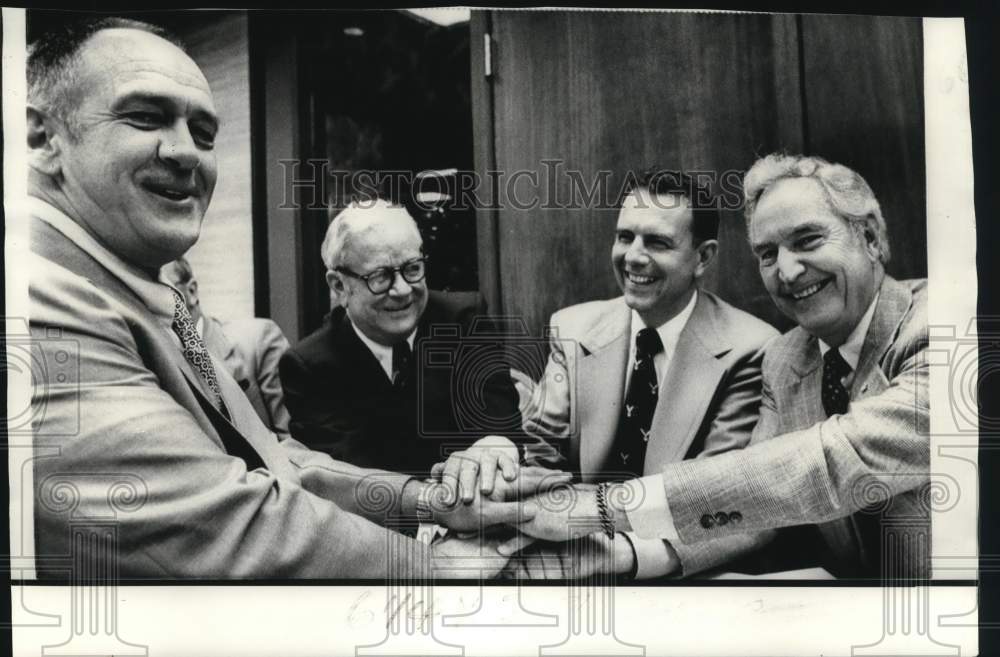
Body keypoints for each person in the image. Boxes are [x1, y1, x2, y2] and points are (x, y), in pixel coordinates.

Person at [25, 17, 548, 579]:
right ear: (42, 138)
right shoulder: (37, 298)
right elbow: (229, 520)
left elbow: (274, 459)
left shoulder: (159, 301)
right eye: (145, 117)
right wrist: (435, 564)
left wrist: (429, 499)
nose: (186, 154)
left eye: (204, 133)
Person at [494, 154, 929, 580]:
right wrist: (623, 556)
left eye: (807, 240)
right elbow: (755, 505)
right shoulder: (788, 359)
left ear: (870, 237)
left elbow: (830, 459)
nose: (789, 270)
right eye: (768, 253)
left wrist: (605, 508)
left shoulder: (945, 324)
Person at [441, 169, 779, 579]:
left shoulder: (751, 348)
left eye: (657, 242)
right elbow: (541, 456)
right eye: (625, 237)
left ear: (702, 257)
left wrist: (581, 516)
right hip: (566, 558)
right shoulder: (573, 328)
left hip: (678, 572)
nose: (633, 256)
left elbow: (711, 496)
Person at [279, 199, 524, 474]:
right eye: (380, 277)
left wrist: (495, 447)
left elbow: (502, 426)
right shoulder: (309, 367)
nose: (403, 290)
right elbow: (346, 481)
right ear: (339, 286)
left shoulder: (464, 323)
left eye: (412, 269)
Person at [161, 256, 292, 435]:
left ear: (191, 291)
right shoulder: (153, 363)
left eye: (162, 289)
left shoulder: (258, 341)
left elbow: (294, 441)